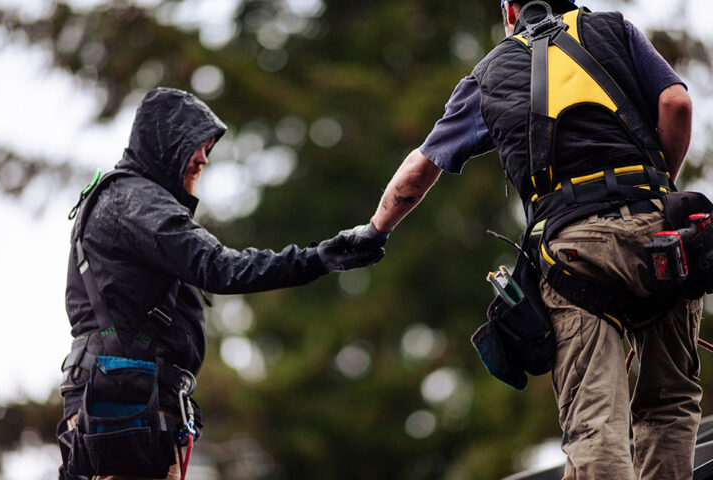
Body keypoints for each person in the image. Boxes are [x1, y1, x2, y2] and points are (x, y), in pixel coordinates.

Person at [344, 1, 701, 478]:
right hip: (662, 235)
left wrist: (374, 231)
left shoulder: (488, 74)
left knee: (594, 424)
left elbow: (417, 172)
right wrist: (657, 189)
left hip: (576, 252)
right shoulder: (613, 28)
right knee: (669, 404)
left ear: (511, 8)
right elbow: (676, 103)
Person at [57, 87, 383, 480]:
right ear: (164, 142)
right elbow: (218, 267)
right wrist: (320, 257)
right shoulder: (134, 200)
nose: (203, 159)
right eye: (196, 145)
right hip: (125, 408)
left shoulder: (125, 201)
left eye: (208, 148)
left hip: (125, 404)